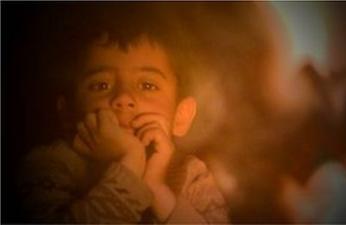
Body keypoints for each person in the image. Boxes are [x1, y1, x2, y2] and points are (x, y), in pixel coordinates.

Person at [16, 4, 229, 224]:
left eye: (147, 85)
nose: (124, 98)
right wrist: (131, 162)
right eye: (101, 86)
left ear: (181, 117)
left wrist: (156, 189)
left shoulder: (190, 176)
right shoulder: (49, 168)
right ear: (68, 113)